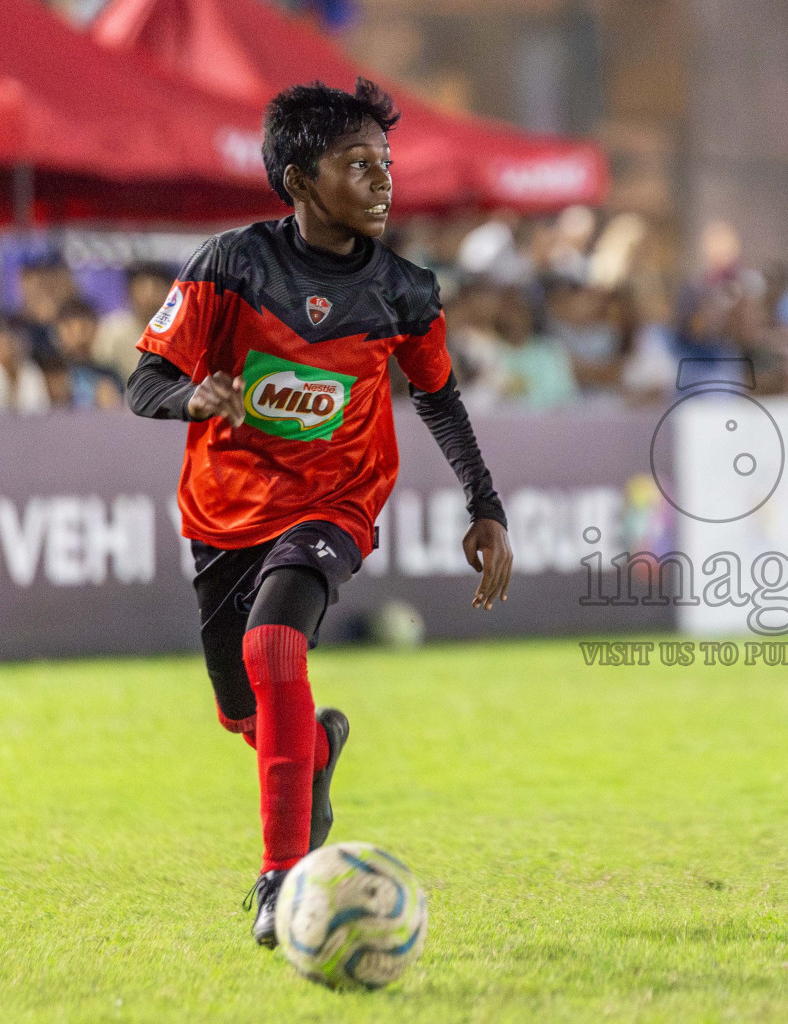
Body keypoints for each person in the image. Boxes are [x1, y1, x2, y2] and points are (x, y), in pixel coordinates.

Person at [125, 78, 514, 947]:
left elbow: (439, 396)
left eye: (386, 162)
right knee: (243, 713)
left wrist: (484, 503)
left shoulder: (406, 289)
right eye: (357, 163)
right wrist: (193, 399)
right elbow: (142, 380)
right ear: (300, 180)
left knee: (275, 643)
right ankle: (317, 750)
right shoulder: (231, 264)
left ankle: (278, 880)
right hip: (224, 512)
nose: (383, 180)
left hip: (337, 498)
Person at [94, 261, 174, 382]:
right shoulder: (113, 330)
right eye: (143, 286)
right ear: (130, 290)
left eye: (156, 286)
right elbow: (100, 373)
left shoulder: (181, 333)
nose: (149, 295)